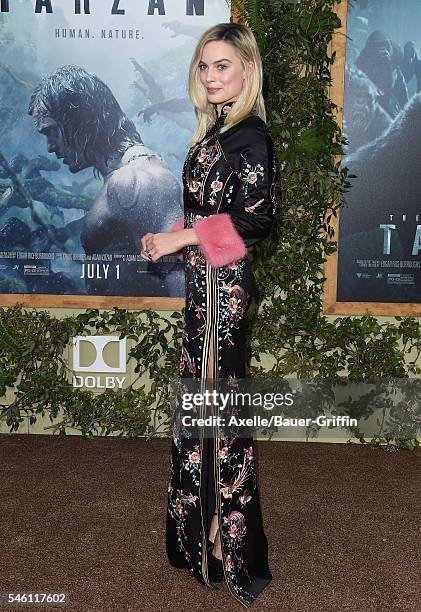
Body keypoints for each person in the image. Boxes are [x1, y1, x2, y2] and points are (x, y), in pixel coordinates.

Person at [140, 23, 277, 608]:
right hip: (203, 285)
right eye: (204, 66)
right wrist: (170, 236)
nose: (212, 76)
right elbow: (206, 213)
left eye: (223, 65)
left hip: (225, 291)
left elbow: (255, 221)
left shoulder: (252, 137)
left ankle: (228, 541)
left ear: (247, 69)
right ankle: (202, 535)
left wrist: (178, 244)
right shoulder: (213, 132)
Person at [28, 65, 184, 297]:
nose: (50, 146)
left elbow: (179, 282)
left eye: (51, 131)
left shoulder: (136, 180)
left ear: (78, 120)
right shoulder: (123, 179)